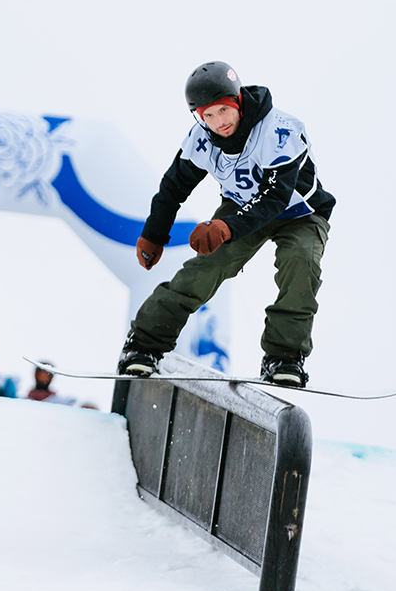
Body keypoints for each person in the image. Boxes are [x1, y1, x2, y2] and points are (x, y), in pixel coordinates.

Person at [118, 61, 335, 387]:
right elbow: (173, 187)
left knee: (300, 262)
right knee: (205, 268)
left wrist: (226, 227)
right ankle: (143, 345)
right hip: (240, 209)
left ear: (237, 101)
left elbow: (275, 197)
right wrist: (153, 234)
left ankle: (284, 356)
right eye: (207, 115)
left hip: (300, 213)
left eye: (223, 110)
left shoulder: (279, 130)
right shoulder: (201, 140)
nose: (218, 122)